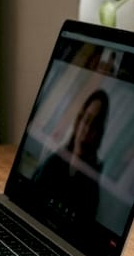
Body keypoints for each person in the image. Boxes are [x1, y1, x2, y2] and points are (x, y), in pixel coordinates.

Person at [31, 88, 110, 221]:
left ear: (99, 134)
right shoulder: (55, 160)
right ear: (79, 121)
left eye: (95, 124)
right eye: (86, 120)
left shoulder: (91, 188)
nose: (87, 130)